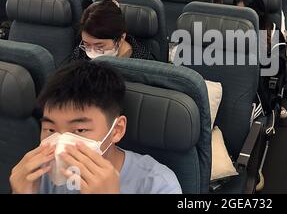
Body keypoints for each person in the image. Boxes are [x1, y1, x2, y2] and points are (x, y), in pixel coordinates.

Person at [9, 61, 182, 194]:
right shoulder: (43, 173)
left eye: (79, 130)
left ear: (117, 130)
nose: (60, 148)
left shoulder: (158, 184)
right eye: (51, 130)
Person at [233, 0, 287, 119]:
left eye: (247, 15)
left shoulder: (272, 32)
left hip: (258, 88)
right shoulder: (228, 29)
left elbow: (275, 71)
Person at [71, 0, 154, 61]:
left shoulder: (142, 60)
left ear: (121, 38)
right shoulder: (80, 53)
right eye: (87, 45)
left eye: (100, 47)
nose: (91, 53)